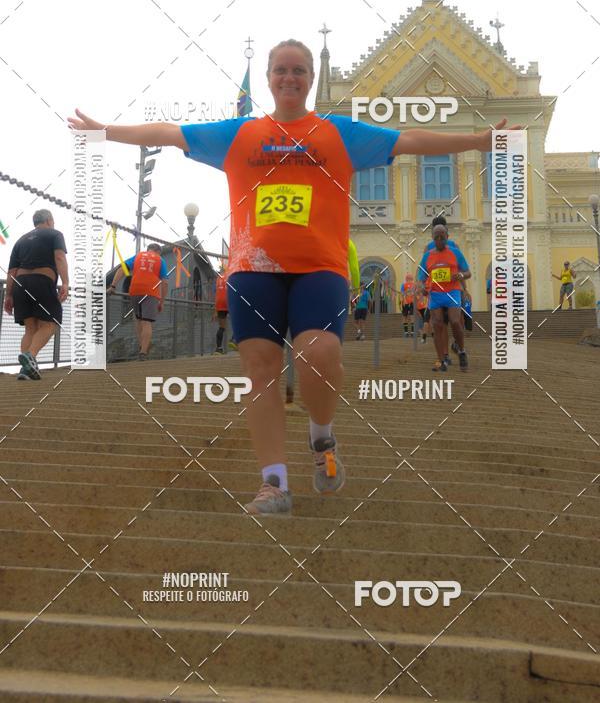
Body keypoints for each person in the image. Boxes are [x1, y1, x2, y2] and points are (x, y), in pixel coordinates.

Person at [69, 38, 518, 515]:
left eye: (299, 70)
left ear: (310, 79)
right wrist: (106, 132)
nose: (289, 78)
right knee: (260, 371)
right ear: (269, 78)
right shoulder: (239, 134)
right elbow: (172, 131)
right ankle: (274, 483)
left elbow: (407, 140)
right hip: (253, 270)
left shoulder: (337, 132)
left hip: (318, 269)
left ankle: (321, 438)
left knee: (318, 353)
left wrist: (477, 141)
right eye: (281, 70)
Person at [4, 210, 69, 380]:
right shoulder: (55, 234)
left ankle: (26, 370)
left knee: (30, 328)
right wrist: (66, 282)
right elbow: (60, 257)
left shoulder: (21, 240)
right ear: (49, 220)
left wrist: (8, 296)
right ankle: (30, 356)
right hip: (42, 281)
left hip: (20, 284)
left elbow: (12, 271)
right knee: (51, 323)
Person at [418, 223, 471, 372]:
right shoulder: (427, 256)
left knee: (455, 321)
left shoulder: (455, 253)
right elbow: (421, 276)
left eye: (443, 237)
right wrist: (422, 286)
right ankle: (441, 360)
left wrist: (460, 275)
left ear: (447, 237)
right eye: (437, 238)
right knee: (437, 325)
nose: (440, 240)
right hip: (435, 294)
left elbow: (467, 272)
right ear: (432, 239)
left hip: (452, 292)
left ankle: (461, 351)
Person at [109, 243, 167, 360]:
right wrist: (161, 302)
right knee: (147, 322)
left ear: (148, 249)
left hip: (135, 290)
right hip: (151, 292)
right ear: (158, 252)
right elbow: (165, 283)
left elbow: (122, 269)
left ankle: (141, 346)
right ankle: (143, 352)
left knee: (138, 319)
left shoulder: (138, 256)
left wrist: (113, 286)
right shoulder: (160, 260)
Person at [400, 273, 415, 337]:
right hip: (407, 302)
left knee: (407, 317)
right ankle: (409, 332)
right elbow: (402, 293)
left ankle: (409, 332)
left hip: (410, 302)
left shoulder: (413, 285)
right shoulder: (404, 285)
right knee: (409, 317)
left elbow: (402, 293)